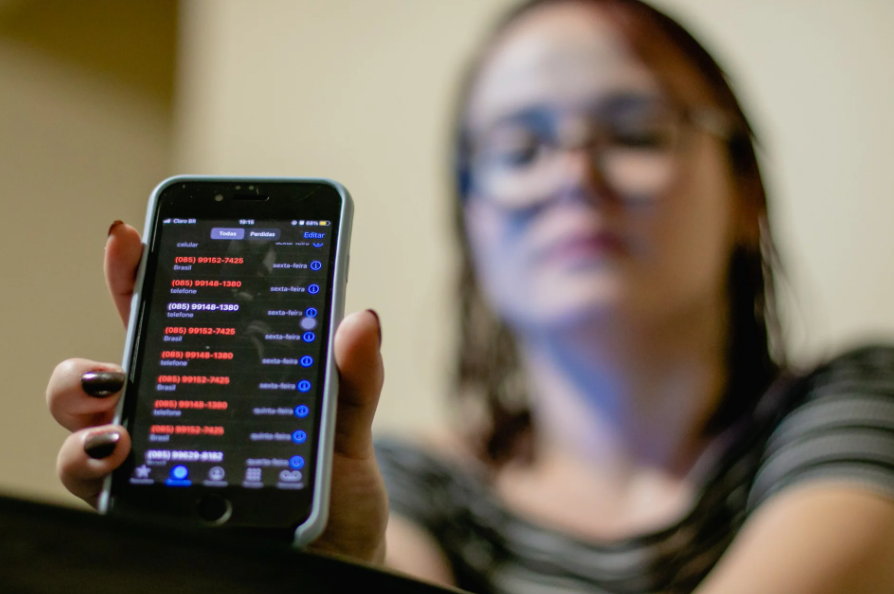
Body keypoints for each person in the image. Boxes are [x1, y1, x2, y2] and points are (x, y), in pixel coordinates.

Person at [46, 1, 894, 592]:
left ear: (746, 193)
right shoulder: (407, 485)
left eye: (636, 132)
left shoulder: (861, 402)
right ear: (473, 224)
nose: (574, 176)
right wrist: (332, 570)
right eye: (518, 150)